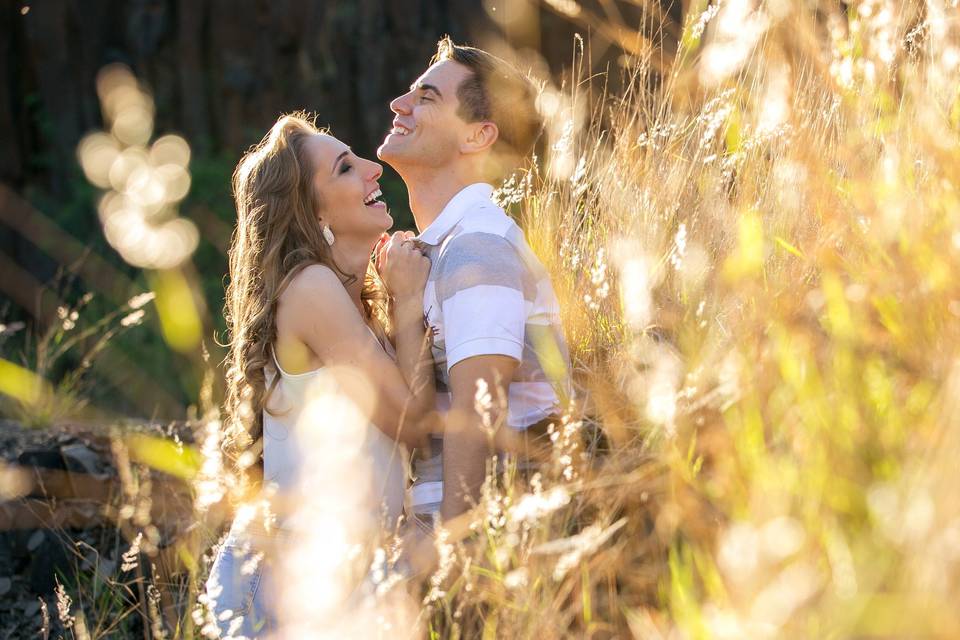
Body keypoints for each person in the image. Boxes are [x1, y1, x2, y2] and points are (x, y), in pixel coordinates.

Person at [205, 112, 436, 637]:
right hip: (301, 578)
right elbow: (411, 424)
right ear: (311, 210)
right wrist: (411, 301)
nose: (373, 168)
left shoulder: (355, 300)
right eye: (345, 169)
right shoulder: (310, 287)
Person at [378, 37, 572, 527]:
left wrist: (451, 560)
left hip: (488, 546)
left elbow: (477, 412)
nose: (398, 105)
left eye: (426, 98)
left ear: (477, 136)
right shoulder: (442, 250)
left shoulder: (477, 247)